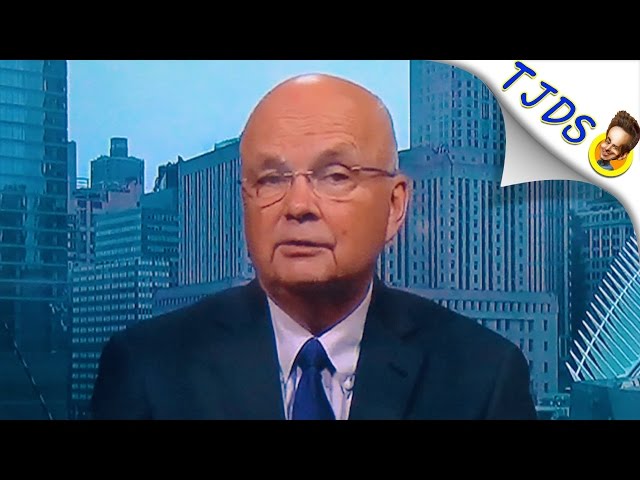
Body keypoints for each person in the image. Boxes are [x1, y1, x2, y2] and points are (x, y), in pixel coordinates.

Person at [91, 74, 537, 420]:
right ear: (245, 200)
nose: (298, 205)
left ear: (395, 205)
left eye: (335, 176)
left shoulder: (483, 375)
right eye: (271, 180)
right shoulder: (149, 367)